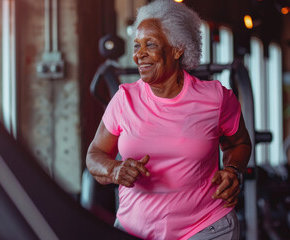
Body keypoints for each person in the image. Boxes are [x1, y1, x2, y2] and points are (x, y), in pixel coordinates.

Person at [86, 0, 252, 239]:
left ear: (177, 48)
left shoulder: (216, 97)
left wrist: (233, 171)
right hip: (135, 230)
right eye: (136, 46)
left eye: (150, 44)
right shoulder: (124, 99)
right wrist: (114, 170)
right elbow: (95, 155)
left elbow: (239, 143)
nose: (139, 55)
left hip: (207, 227)